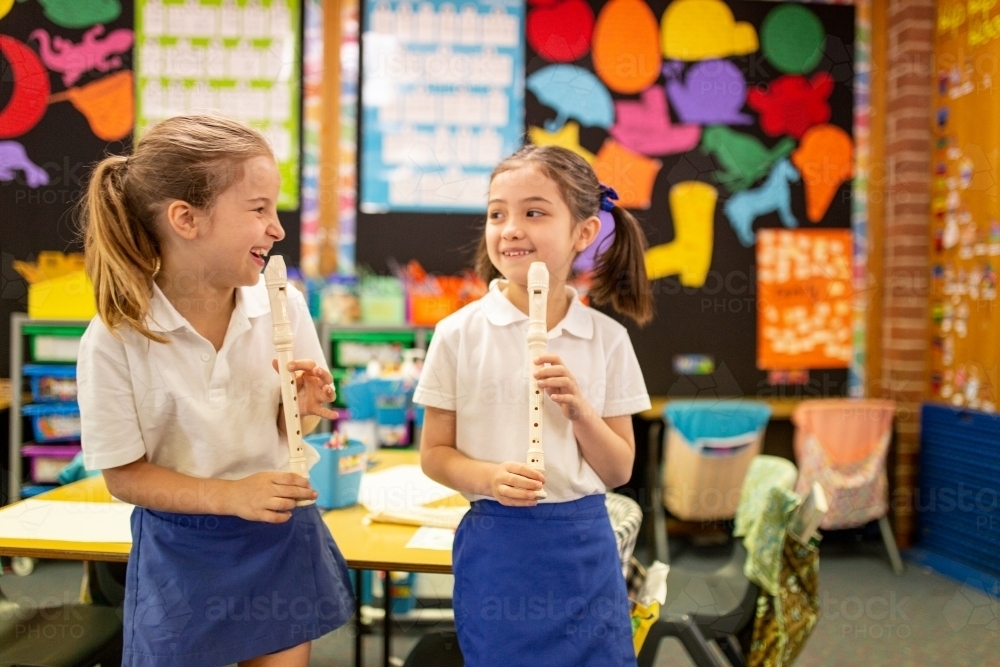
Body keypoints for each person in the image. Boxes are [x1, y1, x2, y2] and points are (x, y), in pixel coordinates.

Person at [76, 115, 352, 667]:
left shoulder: (285, 305)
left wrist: (301, 412)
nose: (277, 228)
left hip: (276, 540)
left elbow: (294, 428)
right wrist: (229, 497)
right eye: (258, 209)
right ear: (186, 219)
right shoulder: (115, 337)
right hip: (183, 552)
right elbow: (123, 475)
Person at [415, 145, 654, 666]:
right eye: (497, 213)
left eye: (535, 212)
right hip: (498, 548)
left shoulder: (606, 338)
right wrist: (486, 477)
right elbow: (434, 453)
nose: (511, 228)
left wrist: (579, 410)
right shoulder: (457, 334)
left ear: (584, 233)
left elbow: (618, 469)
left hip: (583, 552)